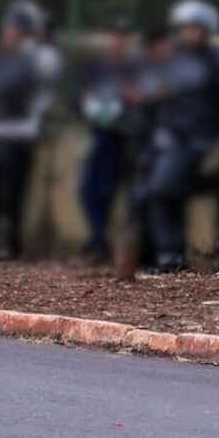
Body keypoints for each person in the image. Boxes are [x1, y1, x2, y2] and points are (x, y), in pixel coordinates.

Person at [128, 0, 219, 273]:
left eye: (193, 27)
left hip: (195, 138)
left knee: (161, 189)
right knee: (143, 193)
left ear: (205, 29)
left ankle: (171, 257)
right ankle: (152, 255)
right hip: (167, 136)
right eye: (184, 27)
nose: (187, 33)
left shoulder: (217, 60)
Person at [0, 0, 61, 260]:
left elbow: (29, 86)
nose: (7, 32)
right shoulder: (6, 57)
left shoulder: (39, 56)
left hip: (20, 133)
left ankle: (9, 245)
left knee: (11, 193)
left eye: (13, 28)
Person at [77, 21, 138, 262]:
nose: (117, 42)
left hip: (121, 136)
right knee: (88, 190)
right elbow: (86, 95)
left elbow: (136, 97)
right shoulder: (101, 67)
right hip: (100, 132)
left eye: (122, 38)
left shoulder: (134, 68)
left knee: (106, 190)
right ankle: (98, 238)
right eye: (115, 37)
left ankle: (100, 242)